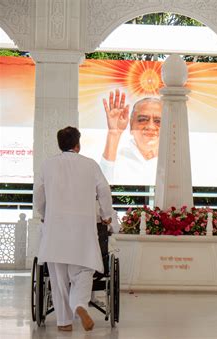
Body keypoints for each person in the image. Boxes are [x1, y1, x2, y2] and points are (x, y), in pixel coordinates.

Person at [34, 126, 114, 331]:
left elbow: (39, 196)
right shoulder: (90, 165)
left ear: (60, 144)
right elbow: (104, 190)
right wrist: (106, 216)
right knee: (84, 270)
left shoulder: (47, 165)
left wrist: (44, 214)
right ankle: (79, 303)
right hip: (83, 229)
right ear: (78, 145)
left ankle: (64, 322)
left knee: (59, 278)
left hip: (55, 229)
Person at [100, 89, 162, 185]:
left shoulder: (177, 162)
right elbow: (102, 187)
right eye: (143, 120)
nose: (150, 126)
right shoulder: (118, 159)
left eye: (158, 121)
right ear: (131, 125)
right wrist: (114, 133)